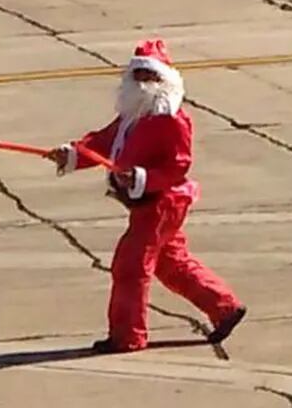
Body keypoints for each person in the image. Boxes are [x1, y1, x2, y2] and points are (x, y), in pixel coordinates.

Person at [47, 38, 246, 353]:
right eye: (137, 75)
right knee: (171, 263)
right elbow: (103, 142)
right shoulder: (134, 113)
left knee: (131, 266)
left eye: (149, 76)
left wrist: (141, 178)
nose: (142, 83)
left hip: (162, 202)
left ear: (163, 79)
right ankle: (225, 307)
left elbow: (178, 166)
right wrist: (72, 154)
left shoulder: (172, 119)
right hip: (148, 201)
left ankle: (127, 336)